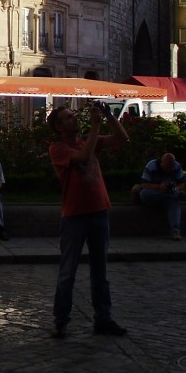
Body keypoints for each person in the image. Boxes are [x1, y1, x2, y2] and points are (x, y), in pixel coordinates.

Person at [46, 102, 129, 339]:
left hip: (99, 210)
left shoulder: (88, 140)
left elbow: (122, 137)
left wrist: (108, 115)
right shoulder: (58, 149)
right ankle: (60, 320)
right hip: (74, 216)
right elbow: (82, 158)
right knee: (68, 272)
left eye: (73, 116)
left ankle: (103, 318)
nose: (74, 119)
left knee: (100, 271)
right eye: (68, 118)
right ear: (59, 127)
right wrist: (95, 125)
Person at [139, 153, 186, 241]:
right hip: (154, 193)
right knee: (144, 194)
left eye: (170, 167)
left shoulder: (177, 167)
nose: (168, 169)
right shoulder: (151, 165)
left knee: (174, 200)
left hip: (170, 193)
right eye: (167, 167)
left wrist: (175, 188)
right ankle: (172, 196)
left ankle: (175, 231)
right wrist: (159, 187)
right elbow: (144, 184)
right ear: (161, 163)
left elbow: (182, 184)